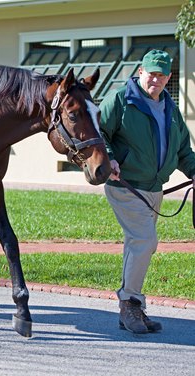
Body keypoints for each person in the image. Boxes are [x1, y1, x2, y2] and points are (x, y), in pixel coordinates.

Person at [99, 49, 195, 334]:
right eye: (151, 73)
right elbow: (97, 132)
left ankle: (133, 307)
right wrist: (109, 157)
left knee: (137, 245)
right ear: (141, 71)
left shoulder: (170, 108)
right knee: (144, 240)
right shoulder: (120, 100)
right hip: (125, 184)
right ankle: (129, 304)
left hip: (155, 189)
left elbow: (182, 151)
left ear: (168, 77)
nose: (156, 79)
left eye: (162, 75)